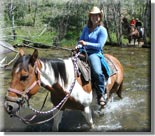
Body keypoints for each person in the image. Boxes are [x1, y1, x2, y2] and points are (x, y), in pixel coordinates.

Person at [77, 6, 110, 109]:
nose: (94, 17)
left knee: (97, 71)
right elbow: (80, 40)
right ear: (90, 17)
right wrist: (78, 46)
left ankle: (101, 94)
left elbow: (100, 46)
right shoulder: (86, 28)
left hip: (95, 53)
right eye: (93, 15)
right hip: (83, 52)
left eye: (97, 15)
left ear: (100, 17)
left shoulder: (102, 30)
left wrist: (86, 43)